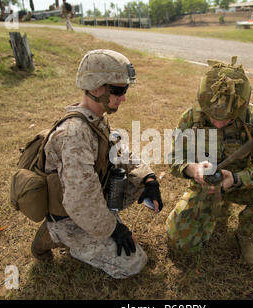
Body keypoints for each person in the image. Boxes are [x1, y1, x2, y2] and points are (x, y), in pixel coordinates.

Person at [31, 49, 163, 279]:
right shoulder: (74, 134)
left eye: (125, 89)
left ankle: (98, 225)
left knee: (141, 182)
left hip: (88, 202)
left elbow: (119, 154)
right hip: (70, 216)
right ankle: (53, 236)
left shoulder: (94, 121)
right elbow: (79, 200)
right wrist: (113, 229)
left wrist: (148, 178)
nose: (123, 97)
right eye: (119, 90)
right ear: (95, 88)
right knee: (133, 263)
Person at [166, 57, 253, 264]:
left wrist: (236, 179)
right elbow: (174, 157)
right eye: (213, 116)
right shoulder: (191, 118)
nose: (219, 123)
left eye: (228, 119)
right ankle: (212, 210)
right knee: (181, 244)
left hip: (239, 183)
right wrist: (193, 170)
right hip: (205, 186)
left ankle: (245, 234)